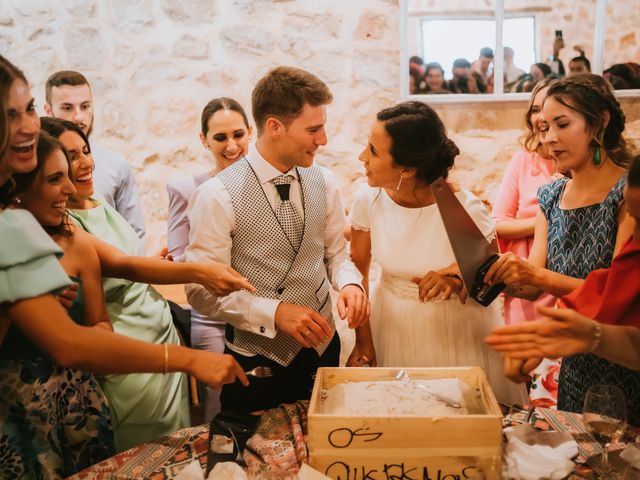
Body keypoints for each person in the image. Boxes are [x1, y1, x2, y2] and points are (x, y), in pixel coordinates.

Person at [0, 55, 248, 479]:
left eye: (27, 111)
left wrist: (199, 270)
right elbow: (68, 344)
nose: (27, 126)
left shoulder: (30, 223)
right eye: (10, 114)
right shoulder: (13, 224)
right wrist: (186, 359)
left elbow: (124, 266)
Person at [40, 117, 244, 451]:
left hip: (159, 339)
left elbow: (128, 262)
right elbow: (124, 266)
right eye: (68, 159)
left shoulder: (97, 204)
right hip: (130, 359)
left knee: (170, 450)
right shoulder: (66, 228)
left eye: (85, 151)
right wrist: (200, 271)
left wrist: (158, 263)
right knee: (137, 453)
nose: (84, 163)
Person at [185, 66, 368, 413]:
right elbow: (201, 291)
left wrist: (350, 285)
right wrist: (272, 312)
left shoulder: (325, 182)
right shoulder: (216, 195)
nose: (324, 139)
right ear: (274, 126)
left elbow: (338, 257)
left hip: (322, 350)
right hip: (257, 363)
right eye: (313, 129)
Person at [346, 101, 525, 404]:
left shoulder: (464, 210)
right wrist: (364, 340)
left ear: (406, 168)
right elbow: (357, 271)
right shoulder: (368, 199)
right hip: (391, 325)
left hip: (456, 333)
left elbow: (492, 275)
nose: (362, 157)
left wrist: (457, 279)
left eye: (374, 152)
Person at [484, 74, 635, 417]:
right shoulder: (551, 196)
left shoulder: (627, 196)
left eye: (562, 124)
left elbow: (615, 298)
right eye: (544, 128)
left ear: (600, 122)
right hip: (574, 361)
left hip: (620, 358)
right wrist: (479, 269)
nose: (550, 139)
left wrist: (536, 276)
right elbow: (530, 287)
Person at [1, 132, 116, 474]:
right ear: (18, 191)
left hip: (79, 406)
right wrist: (24, 303)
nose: (69, 188)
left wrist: (98, 338)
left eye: (67, 176)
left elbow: (101, 323)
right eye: (55, 179)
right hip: (15, 410)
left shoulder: (77, 245)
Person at [166, 97, 251, 420]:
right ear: (203, 140)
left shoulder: (265, 185)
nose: (232, 145)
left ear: (250, 133)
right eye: (220, 137)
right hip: (214, 321)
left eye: (238, 135)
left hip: (263, 319)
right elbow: (181, 260)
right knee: (220, 411)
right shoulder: (185, 190)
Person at [44, 70, 145, 238]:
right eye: (67, 107)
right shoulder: (37, 166)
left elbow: (135, 231)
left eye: (85, 106)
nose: (78, 117)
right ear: (48, 110)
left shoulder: (116, 165)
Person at [492, 79, 557, 325]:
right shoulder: (523, 160)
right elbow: (497, 223)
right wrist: (542, 223)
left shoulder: (578, 172)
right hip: (526, 277)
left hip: (561, 277)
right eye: (535, 110)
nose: (541, 118)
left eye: (549, 110)